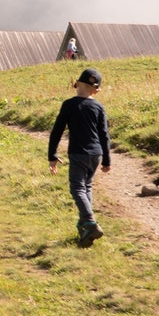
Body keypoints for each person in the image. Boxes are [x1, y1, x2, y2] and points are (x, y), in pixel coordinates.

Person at [48, 68, 111, 247]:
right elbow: (105, 135)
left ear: (77, 84)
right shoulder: (99, 107)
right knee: (87, 186)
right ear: (96, 90)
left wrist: (52, 154)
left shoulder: (69, 104)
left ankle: (90, 222)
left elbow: (57, 130)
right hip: (96, 154)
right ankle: (85, 227)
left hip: (78, 153)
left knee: (77, 188)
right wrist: (107, 160)